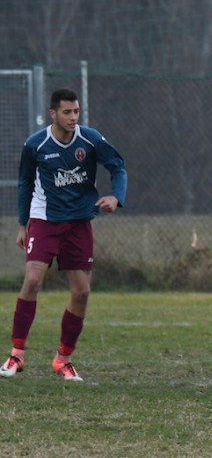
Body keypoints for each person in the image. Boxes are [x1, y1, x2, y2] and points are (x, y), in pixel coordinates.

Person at [0, 88, 127, 382]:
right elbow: (24, 184)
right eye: (67, 112)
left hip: (79, 222)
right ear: (53, 114)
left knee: (82, 292)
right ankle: (16, 355)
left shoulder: (91, 140)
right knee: (32, 280)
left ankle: (63, 360)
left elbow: (118, 167)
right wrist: (23, 225)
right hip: (45, 220)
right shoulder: (36, 144)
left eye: (77, 112)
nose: (73, 117)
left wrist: (116, 198)